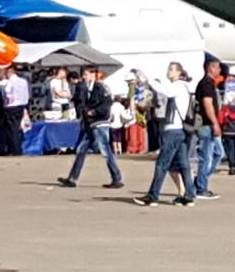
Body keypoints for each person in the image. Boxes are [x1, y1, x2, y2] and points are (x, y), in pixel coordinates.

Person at [134, 62, 195, 207]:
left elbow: (164, 91)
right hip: (180, 130)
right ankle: (189, 196)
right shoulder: (183, 87)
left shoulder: (178, 86)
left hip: (173, 130)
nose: (168, 72)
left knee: (162, 164)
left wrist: (148, 79)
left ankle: (153, 196)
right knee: (183, 164)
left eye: (170, 69)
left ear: (178, 72)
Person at [58, 64, 123, 189]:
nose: (84, 77)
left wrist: (95, 111)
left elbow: (107, 103)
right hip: (91, 123)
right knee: (81, 149)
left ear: (93, 75)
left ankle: (117, 178)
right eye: (83, 74)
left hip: (100, 123)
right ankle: (72, 178)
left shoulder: (100, 88)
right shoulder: (86, 88)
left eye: (86, 74)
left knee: (105, 151)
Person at [191, 57, 223, 201]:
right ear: (211, 68)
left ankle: (200, 180)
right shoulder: (206, 84)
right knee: (206, 156)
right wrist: (215, 123)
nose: (219, 70)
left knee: (218, 153)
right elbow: (207, 104)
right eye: (217, 67)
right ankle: (201, 188)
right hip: (206, 124)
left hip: (208, 124)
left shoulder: (210, 84)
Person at [0, 65, 30, 156]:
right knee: (18, 128)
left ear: (9, 72)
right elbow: (26, 95)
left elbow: (7, 95)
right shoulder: (23, 81)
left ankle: (14, 149)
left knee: (12, 129)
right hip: (21, 106)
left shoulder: (8, 83)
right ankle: (17, 148)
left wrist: (6, 102)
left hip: (11, 107)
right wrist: (25, 107)